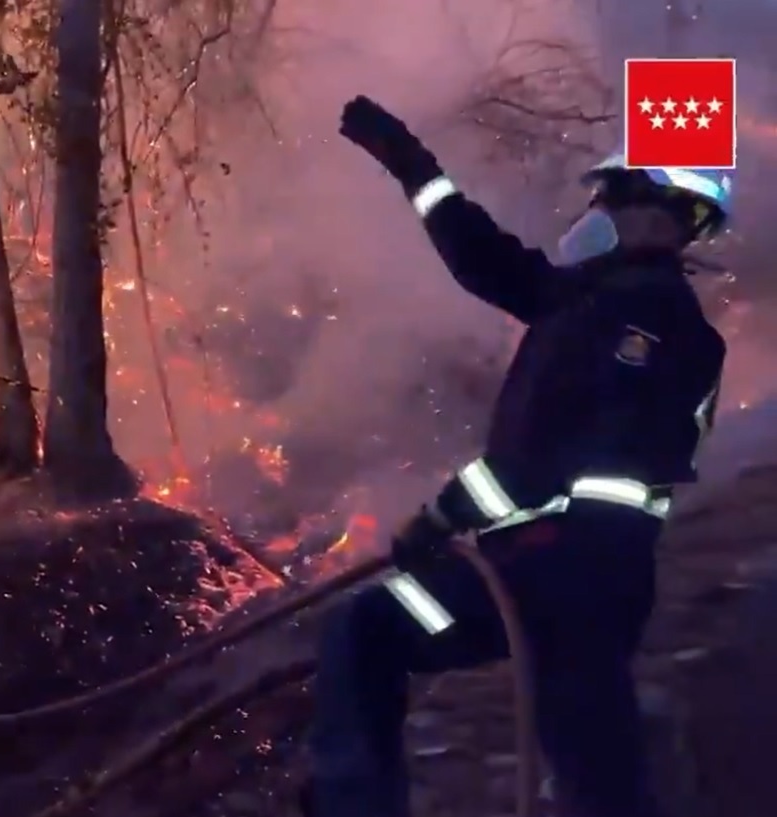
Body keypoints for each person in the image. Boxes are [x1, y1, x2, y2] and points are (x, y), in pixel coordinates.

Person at [303, 96, 730, 817]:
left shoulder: (640, 319)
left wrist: (439, 518)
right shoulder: (593, 300)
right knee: (595, 774)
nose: (603, 210)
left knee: (367, 628)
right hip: (550, 574)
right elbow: (485, 259)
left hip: (572, 579)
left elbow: (540, 460)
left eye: (615, 194)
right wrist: (413, 167)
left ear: (655, 210)